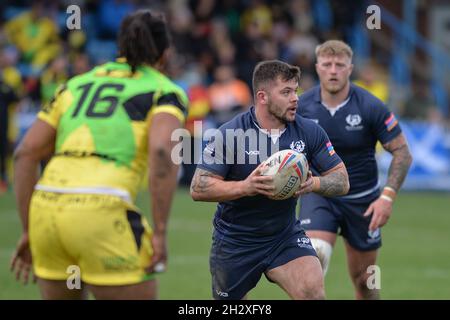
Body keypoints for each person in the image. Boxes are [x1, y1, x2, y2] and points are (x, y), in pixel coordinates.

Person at [11, 10, 188, 300]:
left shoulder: (75, 85)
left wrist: (29, 230)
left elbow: (25, 153)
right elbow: (160, 150)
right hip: (103, 211)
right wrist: (160, 231)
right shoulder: (164, 90)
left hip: (47, 211)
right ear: (165, 55)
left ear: (120, 48)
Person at [190, 60, 350, 300]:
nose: (295, 98)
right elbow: (198, 187)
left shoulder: (309, 131)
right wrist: (246, 187)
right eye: (286, 92)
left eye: (295, 91)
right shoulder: (230, 134)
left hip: (284, 236)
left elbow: (342, 181)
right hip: (236, 242)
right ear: (262, 97)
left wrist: (313, 184)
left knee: (313, 293)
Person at [297, 40, 412, 299]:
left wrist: (387, 197)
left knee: (366, 283)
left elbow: (402, 153)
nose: (333, 70)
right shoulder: (301, 107)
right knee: (314, 258)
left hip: (364, 202)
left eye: (340, 65)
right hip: (319, 195)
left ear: (350, 68)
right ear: (317, 68)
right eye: (327, 64)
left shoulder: (371, 106)